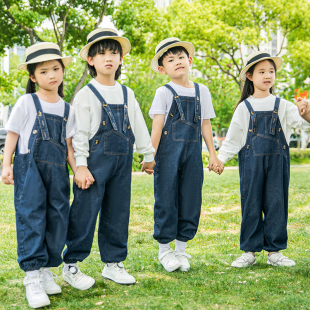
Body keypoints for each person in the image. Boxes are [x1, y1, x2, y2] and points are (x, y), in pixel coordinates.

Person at [62, 28, 155, 288]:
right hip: (93, 165)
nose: (108, 58)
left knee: (118, 212)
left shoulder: (127, 94)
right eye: (101, 54)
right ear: (90, 60)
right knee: (84, 212)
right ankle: (71, 264)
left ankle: (113, 264)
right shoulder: (86, 95)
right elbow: (79, 134)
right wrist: (80, 166)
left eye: (114, 53)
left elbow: (139, 126)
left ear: (121, 58)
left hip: (122, 163)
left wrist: (147, 155)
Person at [218, 51, 310, 268]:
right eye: (262, 71)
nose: (268, 75)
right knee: (250, 203)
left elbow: (305, 123)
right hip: (251, 165)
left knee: (277, 203)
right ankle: (249, 251)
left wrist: (305, 112)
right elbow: (232, 139)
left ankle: (274, 252)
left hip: (278, 165)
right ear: (250, 76)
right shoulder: (244, 107)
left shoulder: (284, 105)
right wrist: (220, 159)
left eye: (271, 71)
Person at [1, 42, 76, 308]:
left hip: (58, 171)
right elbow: (12, 134)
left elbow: (68, 147)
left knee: (58, 218)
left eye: (56, 69)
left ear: (63, 70)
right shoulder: (26, 102)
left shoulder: (68, 109)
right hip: (29, 168)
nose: (51, 75)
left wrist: (77, 169)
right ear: (33, 77)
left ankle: (47, 270)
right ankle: (32, 276)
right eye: (43, 72)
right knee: (32, 217)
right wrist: (6, 164)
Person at [149, 37, 223, 273]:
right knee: (166, 199)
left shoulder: (203, 91)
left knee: (190, 199)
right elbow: (158, 126)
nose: (177, 62)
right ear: (163, 69)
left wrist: (212, 154)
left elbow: (205, 125)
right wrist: (150, 155)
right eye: (170, 60)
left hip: (192, 154)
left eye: (181, 57)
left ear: (189, 60)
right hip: (167, 155)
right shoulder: (164, 92)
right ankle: (164, 251)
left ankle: (180, 250)